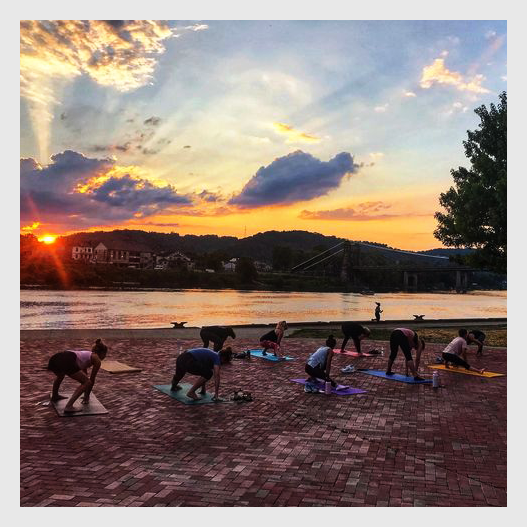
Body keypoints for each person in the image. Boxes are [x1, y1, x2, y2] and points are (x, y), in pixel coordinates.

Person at [47, 339, 108, 413]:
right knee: (87, 382)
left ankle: (55, 396)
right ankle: (69, 406)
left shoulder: (87, 355)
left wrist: (86, 394)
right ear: (102, 353)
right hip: (67, 359)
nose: (105, 356)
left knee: (60, 376)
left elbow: (84, 375)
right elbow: (91, 380)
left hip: (55, 359)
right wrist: (86, 396)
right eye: (105, 354)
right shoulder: (97, 360)